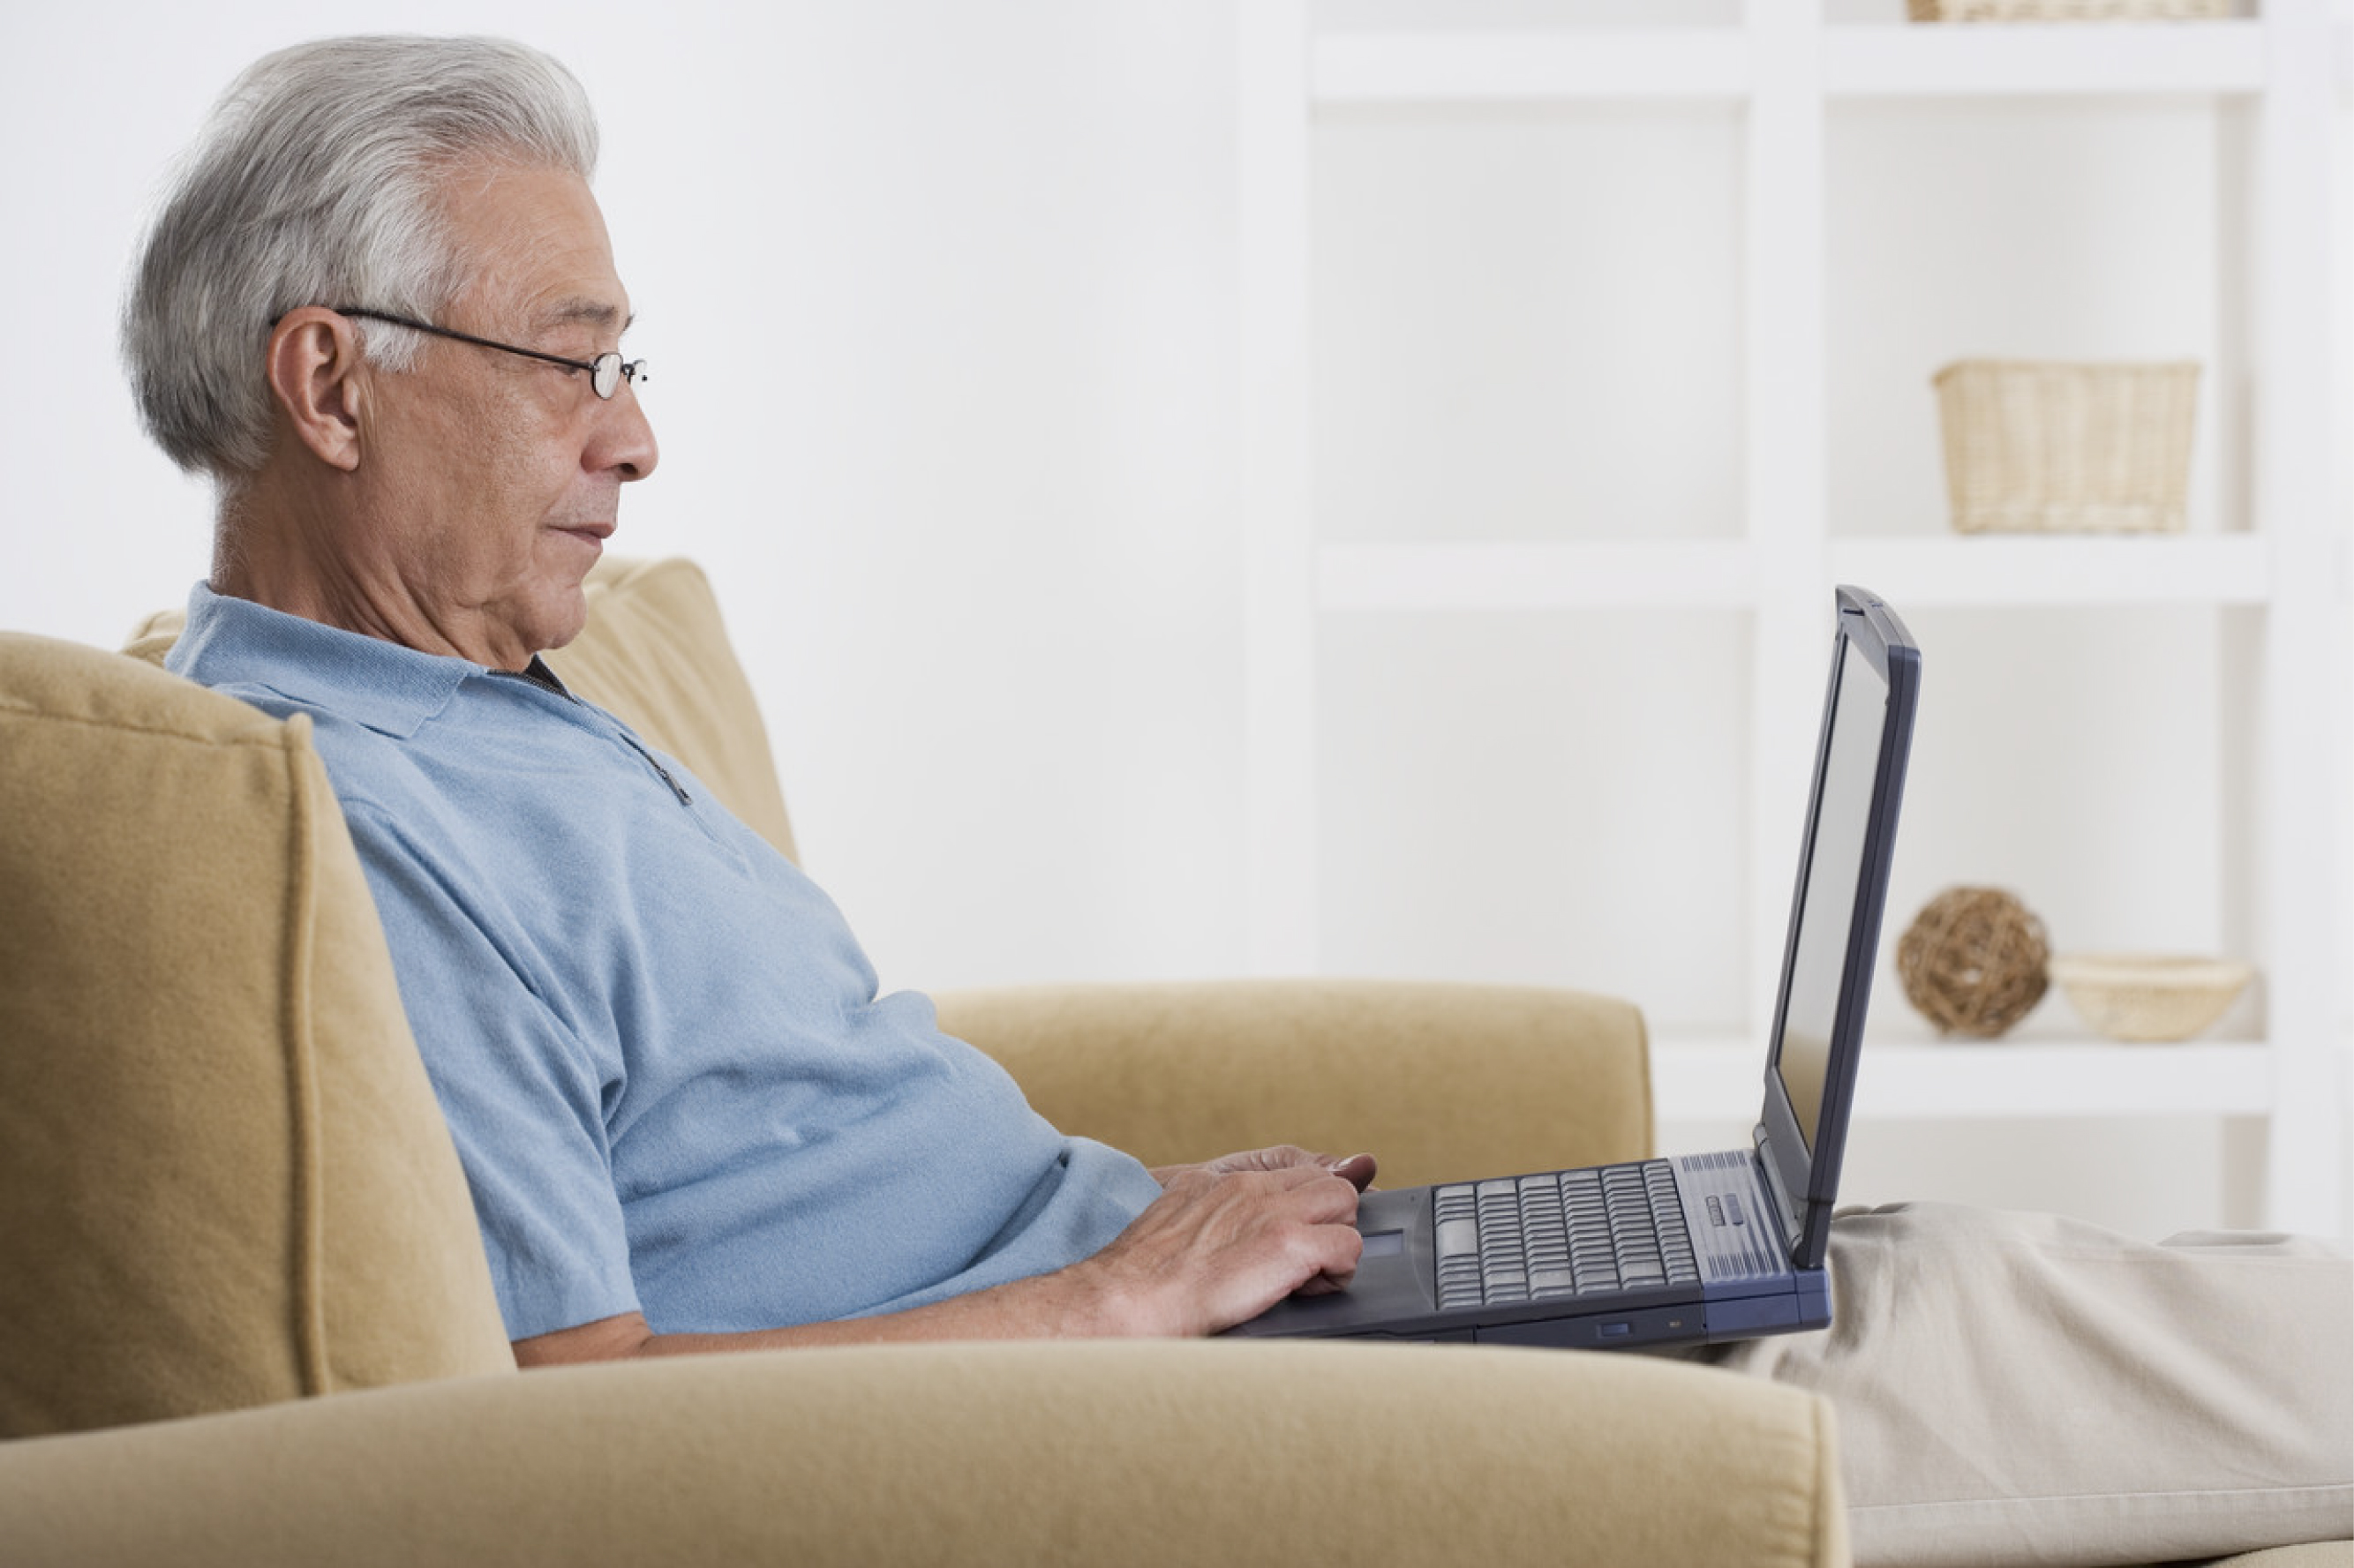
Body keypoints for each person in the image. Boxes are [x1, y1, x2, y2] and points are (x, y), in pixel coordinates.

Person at [132, 35, 2347, 1565]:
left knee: (1951, 1276)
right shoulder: (335, 820)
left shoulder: (494, 688)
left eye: (630, 369)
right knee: (1977, 1333)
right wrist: (1109, 1304)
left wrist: (1140, 1236)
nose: (630, 439)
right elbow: (553, 1423)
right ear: (329, 376)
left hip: (1177, 1338)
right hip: (1140, 1428)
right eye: (571, 360)